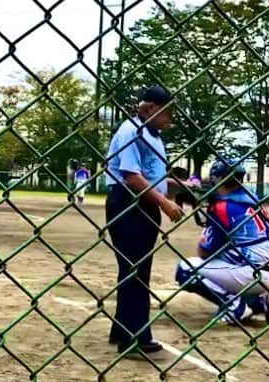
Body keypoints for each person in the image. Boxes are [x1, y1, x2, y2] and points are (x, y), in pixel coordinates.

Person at [104, 85, 184, 357]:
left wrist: (178, 190)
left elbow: (153, 176)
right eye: (165, 112)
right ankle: (134, 337)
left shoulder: (154, 135)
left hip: (143, 205)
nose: (169, 119)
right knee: (135, 271)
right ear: (149, 109)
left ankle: (122, 329)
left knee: (136, 269)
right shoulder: (131, 131)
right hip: (128, 204)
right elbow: (132, 177)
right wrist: (164, 203)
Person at [175, 158, 269, 325]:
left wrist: (206, 230)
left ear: (218, 179)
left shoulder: (221, 208)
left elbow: (204, 252)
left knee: (185, 269)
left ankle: (235, 307)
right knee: (229, 256)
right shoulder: (252, 199)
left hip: (249, 272)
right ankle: (265, 303)